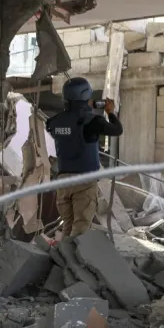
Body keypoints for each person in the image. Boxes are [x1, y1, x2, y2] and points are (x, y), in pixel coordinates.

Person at [45, 77, 123, 241]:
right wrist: (110, 111)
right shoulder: (92, 121)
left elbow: (68, 125)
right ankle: (72, 264)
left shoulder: (55, 122)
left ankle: (61, 261)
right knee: (80, 232)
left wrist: (82, 107)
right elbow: (117, 130)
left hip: (63, 182)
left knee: (67, 228)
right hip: (84, 182)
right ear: (85, 95)